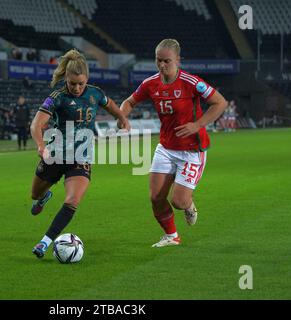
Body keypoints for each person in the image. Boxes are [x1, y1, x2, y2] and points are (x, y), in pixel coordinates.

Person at [119, 39, 228, 248]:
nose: (162, 65)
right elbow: (130, 101)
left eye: (167, 61)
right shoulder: (150, 84)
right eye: (158, 60)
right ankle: (172, 236)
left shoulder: (191, 82)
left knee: (178, 201)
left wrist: (198, 125)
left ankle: (188, 205)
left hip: (191, 151)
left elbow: (220, 102)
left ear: (178, 59)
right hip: (166, 148)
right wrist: (122, 116)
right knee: (156, 197)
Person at [30, 49, 131, 258]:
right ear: (66, 78)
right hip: (55, 154)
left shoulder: (95, 93)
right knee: (34, 194)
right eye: (72, 83)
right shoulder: (56, 97)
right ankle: (43, 197)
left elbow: (110, 104)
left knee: (72, 200)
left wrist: (122, 117)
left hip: (81, 157)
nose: (77, 88)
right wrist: (41, 146)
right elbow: (36, 124)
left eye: (81, 84)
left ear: (87, 80)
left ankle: (45, 242)